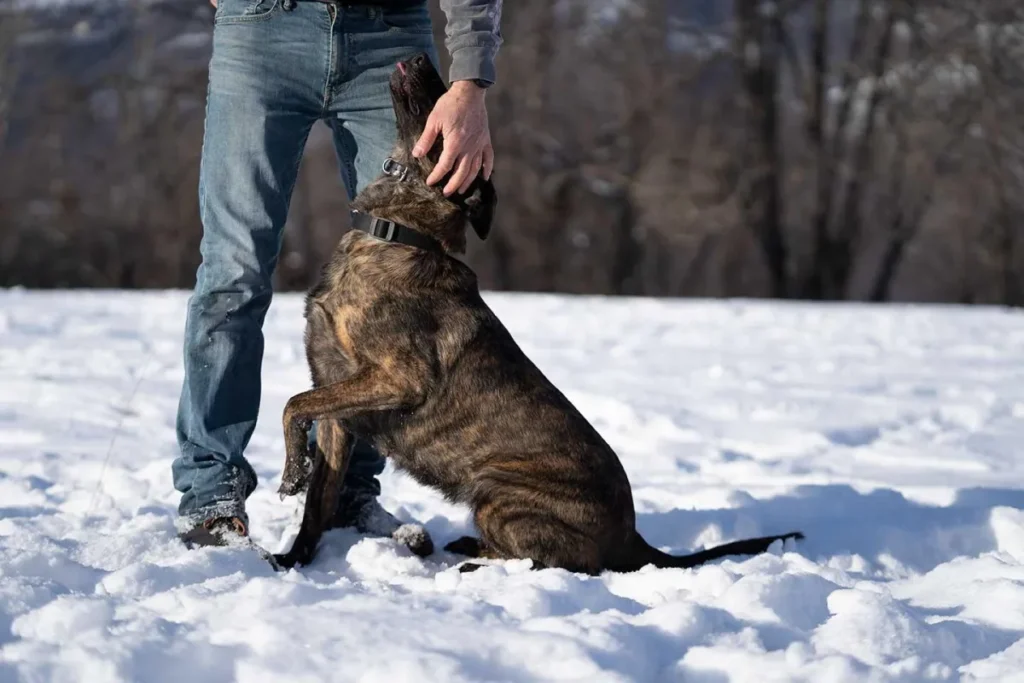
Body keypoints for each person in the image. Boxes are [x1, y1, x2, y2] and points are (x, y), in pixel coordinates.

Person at [173, 0, 502, 550]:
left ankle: (351, 492)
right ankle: (211, 494)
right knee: (234, 272)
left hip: (390, 39)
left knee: (402, 276)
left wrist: (470, 80)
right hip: (263, 30)